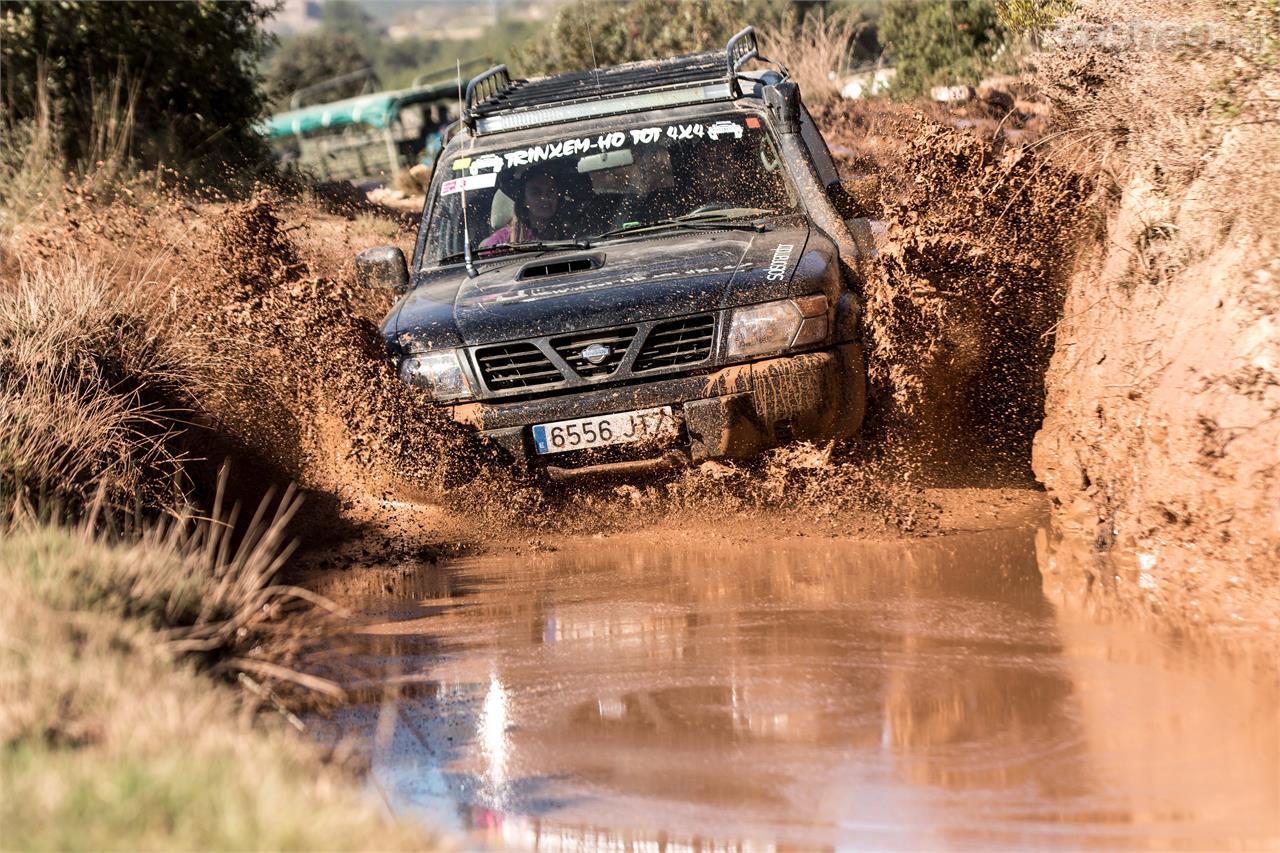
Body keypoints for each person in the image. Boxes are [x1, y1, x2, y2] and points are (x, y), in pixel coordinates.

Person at [480, 162, 577, 249]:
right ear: (524, 200)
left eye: (551, 192)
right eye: (536, 193)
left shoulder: (569, 235)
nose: (545, 198)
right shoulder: (502, 240)